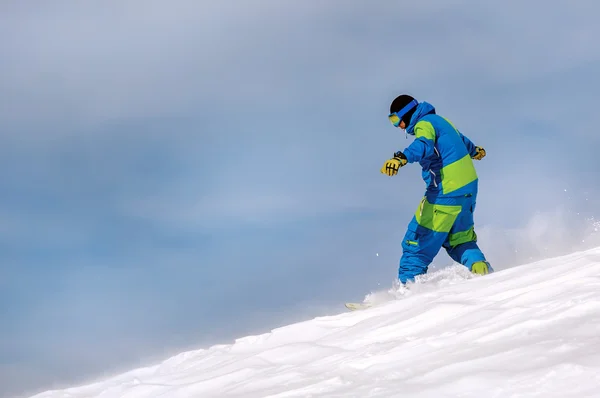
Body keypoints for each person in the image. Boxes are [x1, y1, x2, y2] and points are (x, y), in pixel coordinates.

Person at [381, 94, 493, 284]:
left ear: (406, 114)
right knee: (460, 240)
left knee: (415, 243)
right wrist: (475, 151)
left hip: (445, 190)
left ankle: (407, 291)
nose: (398, 126)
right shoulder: (441, 121)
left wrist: (401, 158)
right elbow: (463, 140)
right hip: (468, 190)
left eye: (396, 119)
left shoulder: (424, 124)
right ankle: (484, 273)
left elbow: (423, 144)